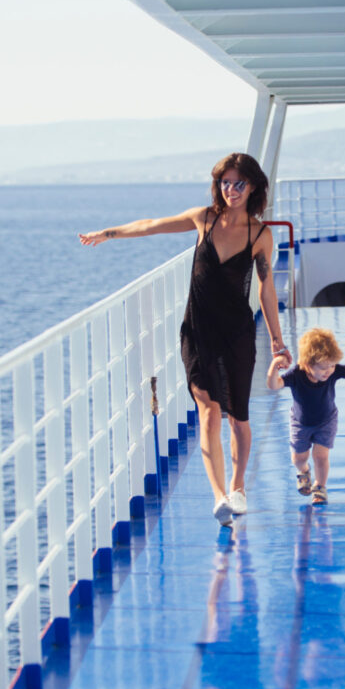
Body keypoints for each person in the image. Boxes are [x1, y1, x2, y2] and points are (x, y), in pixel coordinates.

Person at [79, 152, 287, 527]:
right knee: (208, 410)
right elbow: (152, 225)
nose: (231, 189)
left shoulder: (260, 235)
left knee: (239, 417)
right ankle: (220, 496)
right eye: (225, 182)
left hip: (237, 334)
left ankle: (238, 488)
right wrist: (107, 234)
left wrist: (276, 338)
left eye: (239, 183)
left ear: (253, 186)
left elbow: (266, 288)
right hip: (197, 331)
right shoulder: (203, 219)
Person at [265, 327, 345, 505]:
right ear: (308, 364)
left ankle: (320, 487)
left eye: (332, 366)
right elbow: (274, 385)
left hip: (326, 420)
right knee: (299, 458)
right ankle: (303, 471)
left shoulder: (332, 373)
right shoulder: (297, 374)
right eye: (323, 368)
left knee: (321, 455)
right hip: (300, 423)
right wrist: (274, 366)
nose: (329, 371)